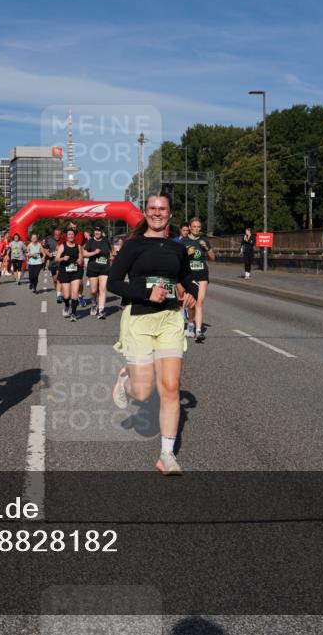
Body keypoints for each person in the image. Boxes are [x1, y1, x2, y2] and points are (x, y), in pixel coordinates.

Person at [108, 194, 198, 475]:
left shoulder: (177, 249)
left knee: (170, 388)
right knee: (144, 391)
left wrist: (192, 293)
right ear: (145, 213)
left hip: (170, 319)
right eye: (152, 209)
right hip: (139, 319)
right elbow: (113, 283)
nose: (157, 213)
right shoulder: (133, 245)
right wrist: (147, 292)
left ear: (170, 214)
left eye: (162, 209)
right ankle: (125, 381)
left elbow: (185, 279)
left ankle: (166, 455)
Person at [182, 217, 215, 343]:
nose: (196, 229)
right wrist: (187, 254)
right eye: (194, 226)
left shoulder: (204, 240)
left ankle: (199, 331)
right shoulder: (183, 241)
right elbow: (178, 260)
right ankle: (190, 323)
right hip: (189, 276)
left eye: (198, 227)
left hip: (202, 275)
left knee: (199, 302)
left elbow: (213, 257)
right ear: (190, 227)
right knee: (191, 304)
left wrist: (206, 248)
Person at [82, 226, 112, 319]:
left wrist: (112, 257)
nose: (97, 232)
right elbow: (84, 253)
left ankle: (101, 310)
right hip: (93, 268)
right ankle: (94, 304)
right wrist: (94, 252)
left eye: (99, 231)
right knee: (93, 291)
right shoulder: (90, 241)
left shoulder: (106, 240)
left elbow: (110, 252)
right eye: (95, 231)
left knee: (103, 290)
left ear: (101, 232)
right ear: (94, 232)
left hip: (105, 268)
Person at [55, 228, 84, 321]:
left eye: (72, 234)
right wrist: (63, 258)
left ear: (74, 236)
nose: (71, 236)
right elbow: (56, 259)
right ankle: (67, 306)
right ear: (66, 236)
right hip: (64, 272)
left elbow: (81, 258)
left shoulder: (78, 246)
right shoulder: (62, 246)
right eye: (69, 234)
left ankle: (73, 314)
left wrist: (80, 260)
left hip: (75, 271)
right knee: (67, 296)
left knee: (75, 293)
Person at [43, 228, 62, 301]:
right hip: (53, 262)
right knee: (55, 279)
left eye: (59, 234)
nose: (57, 236)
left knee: (60, 277)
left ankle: (59, 293)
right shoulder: (49, 239)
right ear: (54, 234)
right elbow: (45, 248)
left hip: (61, 262)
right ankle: (57, 289)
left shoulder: (63, 239)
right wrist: (48, 254)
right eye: (56, 234)